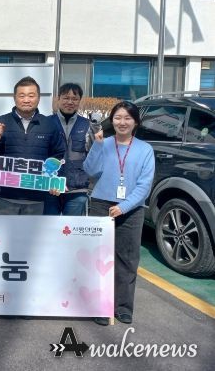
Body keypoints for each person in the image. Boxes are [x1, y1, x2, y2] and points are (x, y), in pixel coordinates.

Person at [84, 101, 154, 326]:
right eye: (117, 118)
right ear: (111, 120)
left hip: (131, 209)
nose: (122, 122)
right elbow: (90, 171)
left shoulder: (145, 149)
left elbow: (144, 186)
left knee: (127, 259)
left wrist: (124, 206)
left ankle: (122, 307)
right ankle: (100, 306)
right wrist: (96, 145)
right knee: (98, 258)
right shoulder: (104, 143)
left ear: (136, 122)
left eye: (127, 118)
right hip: (100, 204)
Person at [0, 76, 64, 215]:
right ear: (14, 98)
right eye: (22, 96)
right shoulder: (0, 121)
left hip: (37, 196)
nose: (26, 100)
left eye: (31, 95)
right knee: (4, 230)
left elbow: (59, 155)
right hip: (5, 196)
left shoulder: (49, 125)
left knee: (33, 231)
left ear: (38, 98)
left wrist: (55, 179)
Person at [48, 83, 96, 216]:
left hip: (77, 189)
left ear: (79, 101)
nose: (70, 102)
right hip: (50, 186)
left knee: (71, 227)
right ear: (58, 99)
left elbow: (94, 155)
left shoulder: (87, 125)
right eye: (66, 98)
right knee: (49, 226)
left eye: (74, 99)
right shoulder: (46, 123)